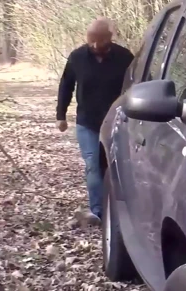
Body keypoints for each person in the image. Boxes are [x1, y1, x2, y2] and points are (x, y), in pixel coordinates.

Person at [57, 17, 134, 224]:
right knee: (92, 164)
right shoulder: (77, 57)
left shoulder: (125, 58)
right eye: (91, 40)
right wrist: (61, 115)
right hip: (87, 122)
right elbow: (66, 86)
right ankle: (98, 212)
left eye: (99, 40)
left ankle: (122, 208)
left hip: (117, 121)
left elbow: (134, 86)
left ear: (110, 38)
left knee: (114, 165)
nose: (94, 45)